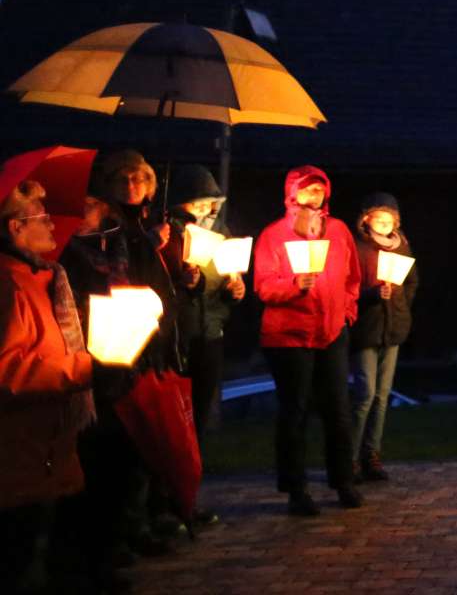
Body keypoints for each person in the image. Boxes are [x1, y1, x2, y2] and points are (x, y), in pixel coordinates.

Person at [59, 150, 182, 568]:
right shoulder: (69, 252)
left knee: (134, 448)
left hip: (136, 351)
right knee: (102, 455)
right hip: (95, 358)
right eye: (85, 205)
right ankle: (106, 542)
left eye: (92, 206)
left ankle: (134, 527)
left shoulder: (123, 240)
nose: (87, 212)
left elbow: (151, 285)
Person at [0, 179, 95, 593]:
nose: (55, 225)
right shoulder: (8, 285)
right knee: (15, 562)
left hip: (47, 446)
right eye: (42, 216)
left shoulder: (45, 278)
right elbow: (8, 370)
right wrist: (82, 368)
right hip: (17, 452)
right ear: (15, 228)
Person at [253, 165, 363, 516]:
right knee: (295, 411)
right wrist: (293, 287)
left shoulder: (339, 231)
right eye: (306, 190)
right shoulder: (274, 235)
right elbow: (263, 286)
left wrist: (347, 312)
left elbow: (352, 277)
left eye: (318, 190)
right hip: (289, 336)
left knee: (338, 409)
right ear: (292, 193)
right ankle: (296, 488)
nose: (312, 197)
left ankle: (343, 480)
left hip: (331, 331)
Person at [162, 164, 242, 525]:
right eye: (200, 202)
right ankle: (167, 501)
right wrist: (189, 281)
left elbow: (223, 283)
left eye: (211, 201)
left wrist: (235, 290)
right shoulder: (169, 232)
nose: (207, 208)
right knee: (176, 420)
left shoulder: (220, 233)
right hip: (180, 334)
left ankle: (189, 497)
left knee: (199, 414)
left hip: (211, 331)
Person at [350, 192, 417, 482]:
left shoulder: (401, 247)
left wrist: (401, 305)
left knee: (382, 395)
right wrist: (371, 295)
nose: (384, 223)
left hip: (393, 327)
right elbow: (347, 286)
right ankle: (349, 458)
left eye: (390, 219)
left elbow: (412, 280)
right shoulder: (358, 248)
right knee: (364, 394)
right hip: (366, 327)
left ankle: (371, 454)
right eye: (379, 218)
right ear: (366, 219)